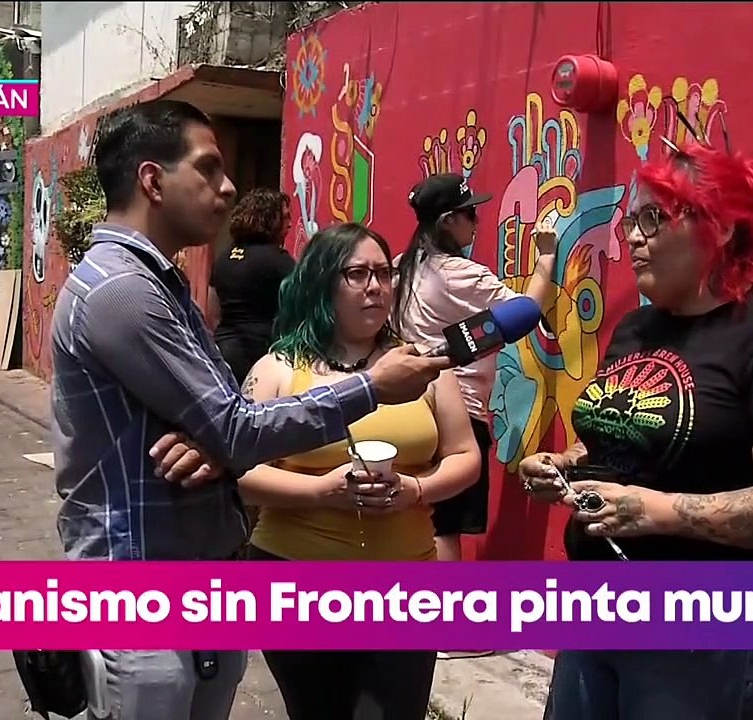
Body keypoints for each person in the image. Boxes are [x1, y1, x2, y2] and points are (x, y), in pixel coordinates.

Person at [48, 100, 452, 720]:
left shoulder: (161, 283)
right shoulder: (121, 291)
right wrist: (370, 388)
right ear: (153, 181)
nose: (229, 187)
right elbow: (238, 425)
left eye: (383, 273)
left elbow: (227, 421)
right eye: (208, 168)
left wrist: (218, 441)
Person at [518, 140, 753, 719]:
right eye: (630, 222)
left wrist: (661, 512)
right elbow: (618, 438)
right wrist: (566, 465)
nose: (633, 237)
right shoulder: (635, 329)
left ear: (720, 228)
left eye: (654, 218)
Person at [238, 222, 479, 719]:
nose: (375, 287)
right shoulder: (279, 368)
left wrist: (416, 488)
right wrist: (320, 491)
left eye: (383, 274)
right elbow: (239, 472)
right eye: (357, 274)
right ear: (323, 282)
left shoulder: (421, 366)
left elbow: (465, 456)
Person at [391, 172, 558, 659]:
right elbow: (524, 309)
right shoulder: (459, 274)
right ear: (449, 221)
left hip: (409, 407)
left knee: (421, 516)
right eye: (471, 213)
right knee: (446, 523)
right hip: (458, 408)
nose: (477, 222)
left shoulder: (400, 268)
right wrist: (546, 257)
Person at [207, 187, 295, 383]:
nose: (289, 224)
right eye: (285, 217)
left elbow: (213, 312)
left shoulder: (223, 258)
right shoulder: (279, 261)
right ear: (270, 219)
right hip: (260, 354)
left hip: (223, 352)